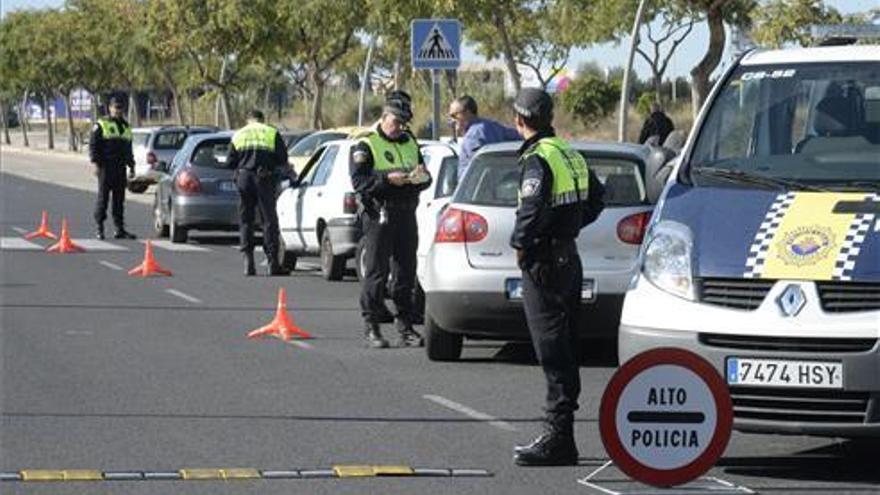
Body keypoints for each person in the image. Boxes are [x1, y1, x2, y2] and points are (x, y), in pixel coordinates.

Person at [509, 88, 604, 466]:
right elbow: (597, 199)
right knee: (563, 346)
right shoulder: (569, 152)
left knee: (552, 350)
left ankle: (559, 438)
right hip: (568, 258)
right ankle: (561, 435)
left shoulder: (538, 159)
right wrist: (570, 228)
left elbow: (530, 210)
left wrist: (521, 245)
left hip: (545, 262)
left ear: (519, 121)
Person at [350, 96, 432, 349]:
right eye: (396, 122)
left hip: (407, 213)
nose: (399, 128)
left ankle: (405, 326)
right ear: (384, 118)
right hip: (380, 215)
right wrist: (387, 180)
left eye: (404, 123)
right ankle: (372, 326)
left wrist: (420, 178)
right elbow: (360, 182)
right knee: (377, 272)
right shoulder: (366, 144)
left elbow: (425, 176)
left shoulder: (409, 142)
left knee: (406, 272)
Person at [228, 109, 289, 276]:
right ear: (262, 120)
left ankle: (248, 263)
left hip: (244, 178)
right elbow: (282, 159)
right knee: (268, 221)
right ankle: (272, 264)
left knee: (246, 220)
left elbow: (230, 161)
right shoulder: (271, 132)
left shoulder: (239, 134)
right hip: (264, 178)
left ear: (248, 120)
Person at [90, 96, 136, 240]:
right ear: (110, 108)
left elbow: (128, 149)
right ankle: (100, 228)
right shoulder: (101, 124)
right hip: (105, 167)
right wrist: (96, 164)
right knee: (103, 198)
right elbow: (93, 145)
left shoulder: (126, 126)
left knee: (119, 200)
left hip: (120, 168)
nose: (118, 110)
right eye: (116, 107)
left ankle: (119, 229)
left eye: (120, 108)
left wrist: (132, 165)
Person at [449, 95, 521, 180]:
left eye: (454, 115)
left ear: (467, 113)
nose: (451, 120)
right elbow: (521, 137)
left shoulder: (472, 137)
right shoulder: (493, 126)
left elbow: (478, 171)